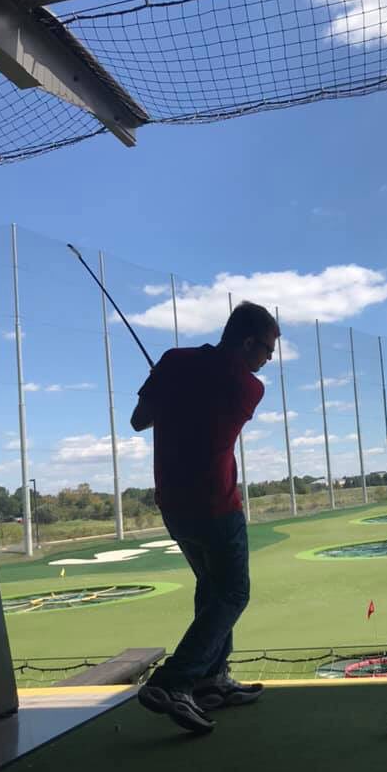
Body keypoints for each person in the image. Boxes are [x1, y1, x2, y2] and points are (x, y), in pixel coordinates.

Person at [131, 301, 280, 734]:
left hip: (174, 506)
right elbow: (209, 396)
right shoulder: (248, 387)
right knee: (233, 593)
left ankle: (211, 680)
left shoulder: (174, 362)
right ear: (248, 342)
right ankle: (174, 682)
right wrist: (178, 387)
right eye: (267, 350)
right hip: (217, 505)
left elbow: (140, 420)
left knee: (211, 589)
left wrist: (165, 383)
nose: (268, 360)